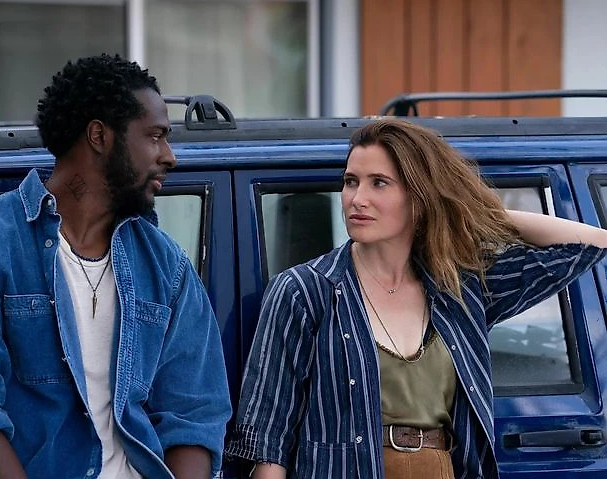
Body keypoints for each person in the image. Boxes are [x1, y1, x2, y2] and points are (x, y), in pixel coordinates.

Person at [225, 119, 607, 478]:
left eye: (379, 183)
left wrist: (472, 209)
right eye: (351, 181)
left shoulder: (459, 289)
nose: (357, 199)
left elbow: (590, 244)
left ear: (420, 197)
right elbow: (267, 438)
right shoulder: (305, 290)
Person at [0, 54, 231, 479]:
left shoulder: (166, 266)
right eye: (155, 136)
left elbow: (195, 413)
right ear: (99, 135)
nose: (169, 156)